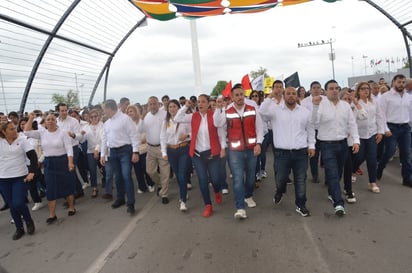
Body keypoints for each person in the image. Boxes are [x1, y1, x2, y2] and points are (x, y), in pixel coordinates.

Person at [260, 86, 315, 216]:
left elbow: (310, 130)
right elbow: (261, 113)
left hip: (300, 152)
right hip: (281, 153)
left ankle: (301, 204)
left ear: (296, 96)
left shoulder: (304, 112)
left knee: (300, 179)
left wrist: (311, 146)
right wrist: (270, 97)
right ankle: (280, 191)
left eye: (293, 93)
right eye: (288, 93)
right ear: (284, 96)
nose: (291, 96)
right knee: (281, 179)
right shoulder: (275, 111)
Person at [312, 80, 360, 216]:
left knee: (338, 172)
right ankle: (338, 203)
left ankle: (332, 192)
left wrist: (356, 141)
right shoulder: (320, 105)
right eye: (331, 88)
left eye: (336, 88)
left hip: (343, 144)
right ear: (325, 91)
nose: (334, 90)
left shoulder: (345, 106)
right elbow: (314, 122)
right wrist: (315, 107)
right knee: (332, 173)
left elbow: (352, 124)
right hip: (327, 145)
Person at [215, 85, 263, 219]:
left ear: (244, 95)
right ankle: (240, 208)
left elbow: (260, 128)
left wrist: (259, 143)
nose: (239, 97)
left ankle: (248, 195)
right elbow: (218, 124)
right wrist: (220, 109)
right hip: (235, 151)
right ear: (232, 97)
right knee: (237, 179)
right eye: (236, 95)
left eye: (241, 94)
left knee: (251, 178)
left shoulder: (253, 109)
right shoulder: (227, 111)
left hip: (252, 149)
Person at [175, 95, 224, 217]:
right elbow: (177, 118)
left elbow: (221, 132)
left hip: (212, 153)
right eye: (198, 102)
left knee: (215, 179)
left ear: (208, 104)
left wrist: (223, 148)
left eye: (203, 102)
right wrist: (185, 106)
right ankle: (208, 205)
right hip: (197, 154)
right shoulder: (194, 116)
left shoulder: (215, 115)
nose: (200, 104)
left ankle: (217, 191)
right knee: (202, 179)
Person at [24, 112, 76, 224]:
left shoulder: (62, 133)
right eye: (48, 119)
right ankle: (52, 215)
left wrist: (70, 162)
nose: (50, 121)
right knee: (51, 188)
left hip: (62, 161)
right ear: (45, 123)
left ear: (56, 121)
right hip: (49, 163)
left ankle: (72, 207)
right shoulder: (42, 133)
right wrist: (31, 118)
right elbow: (26, 131)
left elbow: (69, 149)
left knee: (66, 185)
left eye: (52, 119)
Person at [100, 99, 140, 215]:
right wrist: (103, 154)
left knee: (126, 176)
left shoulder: (125, 119)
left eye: (104, 109)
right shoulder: (107, 123)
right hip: (113, 152)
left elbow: (134, 135)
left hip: (125, 151)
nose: (104, 112)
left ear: (109, 108)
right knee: (117, 177)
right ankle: (120, 198)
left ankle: (131, 203)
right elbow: (104, 140)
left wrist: (135, 152)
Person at [0, 121, 37, 240]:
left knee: (18, 203)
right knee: (12, 205)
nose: (14, 130)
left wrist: (32, 171)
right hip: (3, 178)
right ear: (3, 132)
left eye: (14, 128)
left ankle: (29, 221)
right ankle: (19, 228)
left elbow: (33, 156)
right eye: (11, 129)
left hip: (19, 176)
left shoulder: (22, 141)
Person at [377, 74, 412, 187]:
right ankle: (380, 167)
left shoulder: (408, 97)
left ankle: (407, 178)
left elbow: (410, 112)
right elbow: (381, 114)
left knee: (406, 154)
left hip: (405, 128)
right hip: (391, 127)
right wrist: (385, 129)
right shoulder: (386, 96)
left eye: (403, 82)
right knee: (390, 151)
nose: (401, 84)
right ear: (393, 83)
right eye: (399, 82)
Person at [352, 82, 384, 193]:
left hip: (372, 133)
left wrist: (380, 132)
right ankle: (353, 169)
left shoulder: (374, 102)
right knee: (359, 157)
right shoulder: (355, 103)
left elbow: (380, 116)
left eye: (367, 88)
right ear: (358, 91)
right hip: (359, 135)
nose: (366, 91)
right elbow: (353, 121)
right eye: (363, 89)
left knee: (372, 158)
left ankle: (372, 182)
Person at [160, 99, 191, 211]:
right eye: (170, 107)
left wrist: (187, 136)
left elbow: (192, 133)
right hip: (171, 151)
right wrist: (164, 152)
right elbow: (163, 137)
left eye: (174, 107)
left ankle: (183, 200)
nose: (172, 109)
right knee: (178, 175)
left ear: (179, 108)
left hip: (183, 149)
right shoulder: (166, 121)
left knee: (182, 174)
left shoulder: (185, 119)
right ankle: (184, 191)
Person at [140, 96, 170, 204]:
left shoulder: (165, 114)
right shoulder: (146, 116)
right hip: (150, 148)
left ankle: (164, 194)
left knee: (165, 172)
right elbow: (142, 130)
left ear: (158, 104)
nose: (152, 106)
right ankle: (161, 184)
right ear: (148, 106)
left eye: (154, 103)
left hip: (162, 148)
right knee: (150, 171)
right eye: (150, 104)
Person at [56, 103, 84, 199]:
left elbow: (80, 136)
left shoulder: (73, 121)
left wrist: (73, 135)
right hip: (62, 149)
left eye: (65, 110)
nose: (64, 112)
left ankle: (72, 194)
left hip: (73, 147)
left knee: (70, 170)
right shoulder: (56, 122)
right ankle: (79, 190)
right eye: (62, 111)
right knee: (68, 171)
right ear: (57, 111)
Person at [126, 105, 155, 194]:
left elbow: (147, 132)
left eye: (132, 111)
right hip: (133, 150)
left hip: (144, 149)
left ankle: (150, 183)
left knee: (146, 168)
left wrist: (144, 138)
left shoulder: (142, 122)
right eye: (128, 112)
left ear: (136, 112)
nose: (130, 113)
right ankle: (142, 186)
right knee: (137, 169)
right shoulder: (126, 124)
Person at [301, 81, 324, 184]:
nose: (316, 89)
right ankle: (315, 174)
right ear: (310, 90)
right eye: (314, 88)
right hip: (311, 130)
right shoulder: (305, 102)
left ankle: (329, 177)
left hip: (324, 130)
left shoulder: (326, 100)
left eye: (318, 87)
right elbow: (304, 118)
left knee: (326, 154)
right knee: (314, 154)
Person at [80, 109, 104, 198]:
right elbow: (82, 140)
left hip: (102, 150)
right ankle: (94, 187)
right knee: (92, 170)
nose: (94, 118)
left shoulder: (102, 125)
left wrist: (97, 150)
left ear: (98, 117)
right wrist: (81, 135)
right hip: (90, 151)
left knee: (105, 168)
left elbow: (102, 139)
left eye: (95, 116)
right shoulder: (86, 127)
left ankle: (106, 183)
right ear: (89, 118)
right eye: (92, 117)